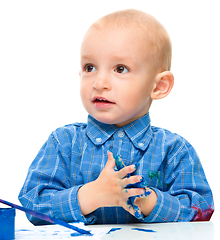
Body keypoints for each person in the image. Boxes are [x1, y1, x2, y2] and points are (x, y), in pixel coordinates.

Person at [18, 9, 214, 225]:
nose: (99, 82)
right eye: (89, 67)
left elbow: (201, 211)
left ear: (158, 86)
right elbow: (32, 203)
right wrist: (89, 195)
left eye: (120, 69)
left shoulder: (175, 150)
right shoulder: (63, 142)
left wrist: (148, 201)